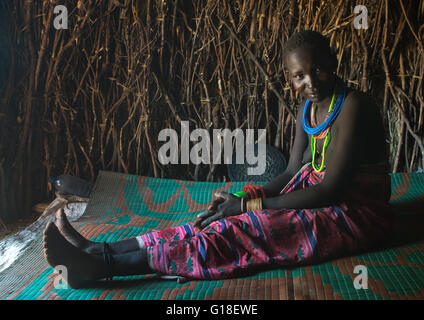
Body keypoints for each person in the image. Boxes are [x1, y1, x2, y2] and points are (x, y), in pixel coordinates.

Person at [43, 30, 394, 289]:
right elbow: (290, 171)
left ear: (333, 64)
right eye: (300, 76)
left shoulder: (353, 106)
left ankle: (102, 269)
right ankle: (100, 249)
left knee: (242, 229)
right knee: (210, 220)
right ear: (290, 80)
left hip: (354, 213)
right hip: (316, 196)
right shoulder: (308, 109)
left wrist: (250, 209)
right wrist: (244, 199)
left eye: (318, 70)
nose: (310, 82)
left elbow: (331, 189)